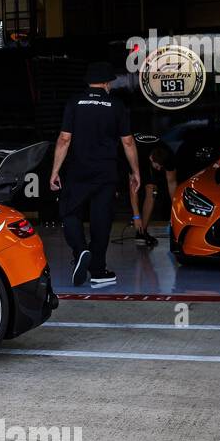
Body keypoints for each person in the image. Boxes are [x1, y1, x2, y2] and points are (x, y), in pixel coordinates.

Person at [50, 61, 142, 287]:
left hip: (77, 170)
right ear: (106, 83)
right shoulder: (116, 105)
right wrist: (135, 171)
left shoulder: (74, 103)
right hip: (106, 172)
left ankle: (81, 250)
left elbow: (64, 139)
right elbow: (128, 142)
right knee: (102, 220)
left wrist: (55, 171)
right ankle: (99, 272)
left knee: (69, 211)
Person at [133, 142, 178, 247]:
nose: (159, 169)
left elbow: (172, 183)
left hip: (153, 154)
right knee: (139, 186)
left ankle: (141, 232)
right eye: (157, 166)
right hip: (133, 151)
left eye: (161, 167)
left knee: (153, 190)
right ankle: (140, 229)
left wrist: (176, 209)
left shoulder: (169, 157)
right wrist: (136, 216)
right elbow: (133, 189)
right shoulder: (140, 156)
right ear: (151, 159)